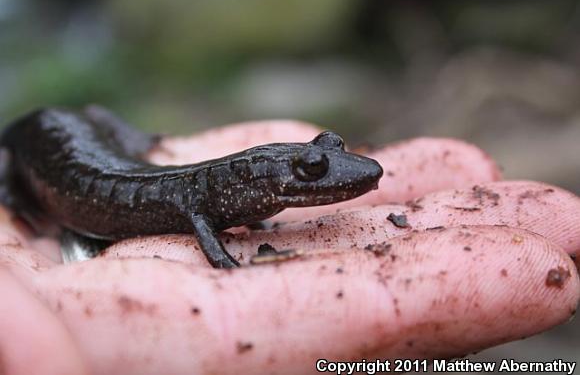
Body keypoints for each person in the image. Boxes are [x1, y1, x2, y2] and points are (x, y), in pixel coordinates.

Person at [0, 120, 578, 375]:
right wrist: (227, 265)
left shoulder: (230, 193)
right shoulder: (202, 199)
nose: (325, 172)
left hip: (74, 136)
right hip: (31, 145)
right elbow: (206, 228)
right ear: (255, 177)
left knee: (88, 131)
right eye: (309, 168)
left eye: (320, 157)